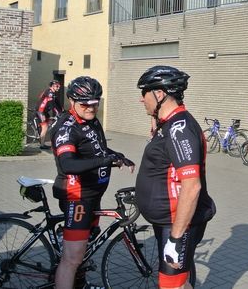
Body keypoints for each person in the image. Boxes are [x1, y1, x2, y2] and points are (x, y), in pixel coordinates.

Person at [135, 65, 216, 289]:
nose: (141, 99)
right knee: (178, 284)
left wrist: (176, 237)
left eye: (144, 92)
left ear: (159, 94)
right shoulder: (169, 124)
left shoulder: (180, 128)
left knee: (172, 286)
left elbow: (192, 186)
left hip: (176, 224)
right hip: (166, 221)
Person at [51, 76, 135, 289]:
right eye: (85, 104)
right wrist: (105, 161)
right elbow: (68, 164)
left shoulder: (91, 120)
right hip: (77, 196)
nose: (91, 108)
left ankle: (78, 282)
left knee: (86, 246)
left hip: (93, 194)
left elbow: (98, 149)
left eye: (95, 103)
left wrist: (117, 156)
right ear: (72, 101)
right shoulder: (67, 127)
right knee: (72, 259)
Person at [35, 80, 62, 149]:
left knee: (50, 122)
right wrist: (57, 112)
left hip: (45, 111)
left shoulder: (54, 93)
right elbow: (52, 104)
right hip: (40, 111)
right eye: (57, 86)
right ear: (52, 86)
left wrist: (62, 110)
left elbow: (57, 103)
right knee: (45, 127)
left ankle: (41, 132)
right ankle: (42, 145)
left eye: (59, 86)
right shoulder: (49, 92)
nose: (58, 87)